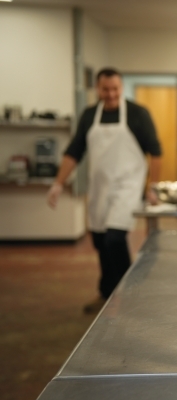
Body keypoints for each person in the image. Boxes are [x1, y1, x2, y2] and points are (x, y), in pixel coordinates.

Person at [47, 67, 162, 314]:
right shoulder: (90, 115)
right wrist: (58, 183)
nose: (110, 94)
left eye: (115, 89)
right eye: (105, 89)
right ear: (97, 89)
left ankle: (131, 293)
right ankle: (107, 294)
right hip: (99, 187)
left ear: (121, 88)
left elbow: (156, 152)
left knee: (115, 238)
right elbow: (74, 152)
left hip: (128, 186)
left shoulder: (137, 114)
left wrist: (151, 188)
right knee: (100, 241)